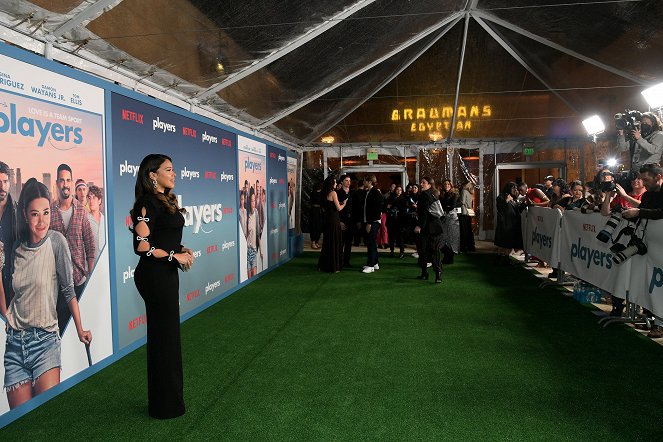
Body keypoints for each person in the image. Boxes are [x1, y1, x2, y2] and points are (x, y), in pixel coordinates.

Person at [1, 178, 91, 409]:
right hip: (14, 347)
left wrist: (80, 329)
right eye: (34, 214)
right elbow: (11, 292)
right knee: (22, 425)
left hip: (45, 343)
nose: (42, 221)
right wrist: (7, 317)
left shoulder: (56, 242)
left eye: (46, 212)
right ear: (24, 214)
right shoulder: (16, 249)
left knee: (46, 418)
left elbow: (68, 289)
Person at [130, 153, 194, 419]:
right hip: (154, 276)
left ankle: (168, 402)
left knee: (167, 338)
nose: (174, 173)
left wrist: (180, 248)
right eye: (169, 169)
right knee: (163, 339)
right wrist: (173, 256)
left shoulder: (164, 201)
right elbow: (141, 246)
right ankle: (164, 406)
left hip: (166, 273)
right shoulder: (146, 202)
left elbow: (161, 237)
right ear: (153, 175)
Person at [49, 164, 95, 333]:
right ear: (57, 183)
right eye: (62, 180)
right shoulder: (50, 212)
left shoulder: (81, 210)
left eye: (68, 180)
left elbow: (90, 246)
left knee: (80, 330)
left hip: (79, 282)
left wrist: (90, 279)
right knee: (61, 331)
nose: (65, 184)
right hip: (58, 286)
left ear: (72, 181)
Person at [622, 163, 663, 337]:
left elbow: (660, 212)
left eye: (646, 179)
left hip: (660, 249)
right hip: (647, 246)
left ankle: (659, 324)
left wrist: (638, 213)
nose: (644, 183)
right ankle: (649, 318)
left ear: (658, 177)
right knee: (649, 283)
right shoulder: (648, 195)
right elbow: (644, 210)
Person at [414, 177, 443, 283]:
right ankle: (435, 274)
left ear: (430, 185)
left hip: (429, 228)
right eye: (421, 182)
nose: (421, 184)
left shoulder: (424, 195)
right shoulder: (433, 194)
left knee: (425, 251)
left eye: (424, 183)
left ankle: (427, 273)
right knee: (433, 252)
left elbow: (424, 213)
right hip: (435, 228)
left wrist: (420, 226)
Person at [318, 176, 346, 273]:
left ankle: (324, 265)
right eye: (334, 182)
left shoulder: (323, 193)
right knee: (334, 242)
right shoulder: (333, 193)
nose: (336, 184)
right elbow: (338, 208)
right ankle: (333, 266)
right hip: (334, 220)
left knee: (327, 242)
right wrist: (344, 204)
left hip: (327, 220)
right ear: (331, 183)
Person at [0, 161, 18, 309]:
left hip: (12, 285)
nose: (2, 186)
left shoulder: (17, 213)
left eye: (5, 181)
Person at [494, 182, 523, 265]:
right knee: (503, 243)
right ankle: (499, 258)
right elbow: (500, 208)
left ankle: (506, 259)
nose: (515, 190)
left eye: (516, 188)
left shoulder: (513, 198)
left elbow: (516, 210)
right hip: (505, 224)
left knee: (509, 243)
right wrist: (507, 201)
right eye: (513, 188)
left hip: (512, 224)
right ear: (508, 188)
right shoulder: (501, 197)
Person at [361, 175, 383, 274]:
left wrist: (369, 223)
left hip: (373, 222)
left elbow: (377, 210)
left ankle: (370, 265)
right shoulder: (368, 192)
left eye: (365, 181)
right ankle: (375, 263)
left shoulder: (375, 193)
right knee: (371, 243)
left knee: (371, 243)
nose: (363, 182)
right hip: (370, 221)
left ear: (370, 182)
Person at [439, 179, 460, 264]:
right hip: (444, 218)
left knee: (452, 239)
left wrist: (445, 207)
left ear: (451, 186)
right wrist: (446, 207)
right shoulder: (441, 195)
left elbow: (452, 206)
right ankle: (446, 256)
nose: (447, 185)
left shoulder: (454, 195)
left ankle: (449, 257)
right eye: (445, 184)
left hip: (452, 219)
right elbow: (441, 206)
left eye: (448, 184)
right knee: (443, 237)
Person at [336, 175, 354, 267]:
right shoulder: (337, 193)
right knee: (340, 243)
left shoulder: (352, 193)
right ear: (342, 182)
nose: (348, 182)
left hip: (351, 221)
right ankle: (339, 261)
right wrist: (340, 221)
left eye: (349, 181)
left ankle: (347, 261)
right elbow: (336, 209)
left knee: (349, 243)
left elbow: (355, 207)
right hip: (341, 220)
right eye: (346, 180)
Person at [386, 185, 407, 258]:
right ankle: (392, 251)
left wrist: (392, 206)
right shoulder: (391, 198)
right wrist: (390, 207)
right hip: (391, 220)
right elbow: (387, 207)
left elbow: (403, 209)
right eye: (397, 189)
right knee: (391, 237)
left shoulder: (403, 199)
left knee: (400, 237)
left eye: (400, 190)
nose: (398, 191)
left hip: (399, 221)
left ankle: (402, 252)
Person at [86, 185, 105, 262]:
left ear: (99, 200)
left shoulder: (104, 220)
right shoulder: (85, 219)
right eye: (89, 198)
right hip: (90, 264)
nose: (91, 201)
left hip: (103, 262)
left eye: (94, 198)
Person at [459, 181, 476, 253]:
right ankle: (471, 246)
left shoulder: (464, 191)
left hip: (463, 212)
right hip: (468, 213)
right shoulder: (470, 192)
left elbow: (462, 202)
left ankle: (464, 246)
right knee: (469, 230)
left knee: (463, 230)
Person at [246, 193, 258, 278]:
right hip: (247, 249)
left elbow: (257, 232)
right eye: (251, 201)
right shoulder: (247, 214)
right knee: (249, 278)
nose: (253, 203)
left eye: (254, 200)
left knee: (254, 276)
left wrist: (260, 251)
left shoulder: (256, 212)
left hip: (254, 249)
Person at [309, 182, 323, 249]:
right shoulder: (313, 193)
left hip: (319, 211)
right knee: (314, 226)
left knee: (319, 227)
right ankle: (313, 242)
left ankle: (316, 241)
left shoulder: (322, 193)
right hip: (314, 211)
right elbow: (317, 201)